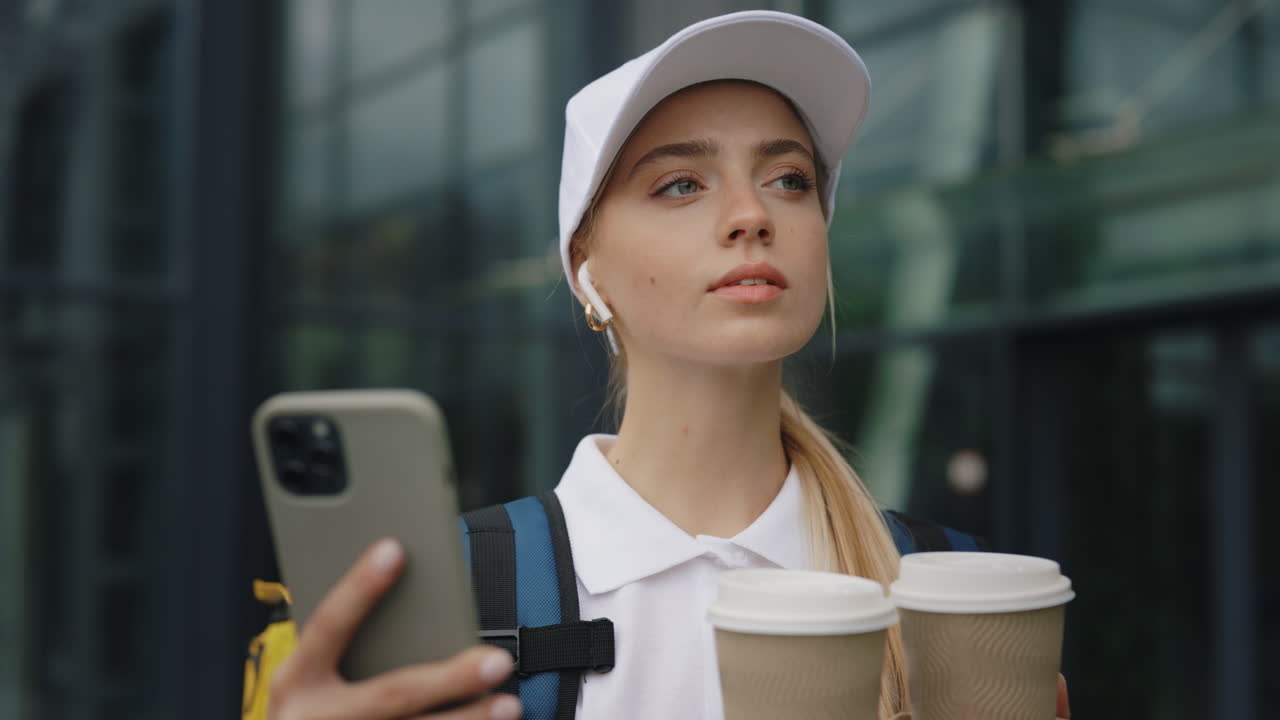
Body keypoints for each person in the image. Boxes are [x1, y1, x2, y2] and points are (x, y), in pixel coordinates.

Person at [265, 11, 1071, 720]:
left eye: (789, 180)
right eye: (682, 183)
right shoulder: (449, 599)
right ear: (587, 268)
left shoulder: (949, 592)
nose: (753, 215)